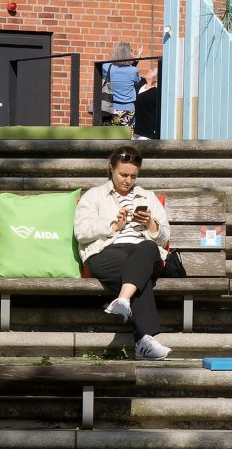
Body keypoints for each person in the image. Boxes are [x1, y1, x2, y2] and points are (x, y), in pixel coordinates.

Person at [72, 144, 172, 359]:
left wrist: (151, 225)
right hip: (107, 252)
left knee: (146, 247)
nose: (128, 180)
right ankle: (143, 342)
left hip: (143, 252)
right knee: (139, 277)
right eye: (123, 174)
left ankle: (123, 300)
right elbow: (81, 232)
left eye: (133, 176)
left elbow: (164, 238)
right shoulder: (95, 195)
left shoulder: (147, 197)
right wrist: (112, 226)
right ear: (111, 168)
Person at [102, 42, 140, 127]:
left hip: (110, 108)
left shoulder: (107, 67)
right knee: (127, 138)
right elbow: (137, 81)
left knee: (109, 138)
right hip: (128, 109)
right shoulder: (134, 71)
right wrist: (136, 59)